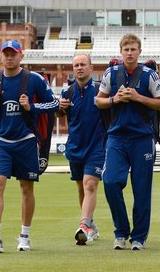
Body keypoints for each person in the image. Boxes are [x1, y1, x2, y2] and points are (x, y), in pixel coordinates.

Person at [0, 39, 59, 253]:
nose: (9, 57)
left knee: (26, 188)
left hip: (26, 141)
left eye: (13, 54)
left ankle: (25, 236)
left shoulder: (35, 79)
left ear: (21, 56)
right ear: (1, 56)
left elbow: (54, 103)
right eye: (6, 54)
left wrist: (31, 106)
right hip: (1, 141)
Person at [95, 33, 160, 251]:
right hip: (117, 137)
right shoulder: (110, 73)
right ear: (121, 52)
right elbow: (98, 101)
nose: (129, 52)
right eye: (126, 49)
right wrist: (114, 99)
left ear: (140, 51)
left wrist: (138, 97)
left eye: (133, 49)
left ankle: (139, 237)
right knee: (109, 181)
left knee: (142, 190)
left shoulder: (149, 75)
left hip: (142, 139)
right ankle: (121, 231)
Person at [56, 54, 106, 245]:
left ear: (91, 68)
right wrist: (58, 108)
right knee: (81, 187)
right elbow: (61, 115)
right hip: (75, 147)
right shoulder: (67, 93)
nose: (79, 68)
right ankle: (90, 224)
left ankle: (83, 225)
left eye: (83, 64)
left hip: (97, 147)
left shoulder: (102, 90)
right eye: (76, 65)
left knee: (90, 184)